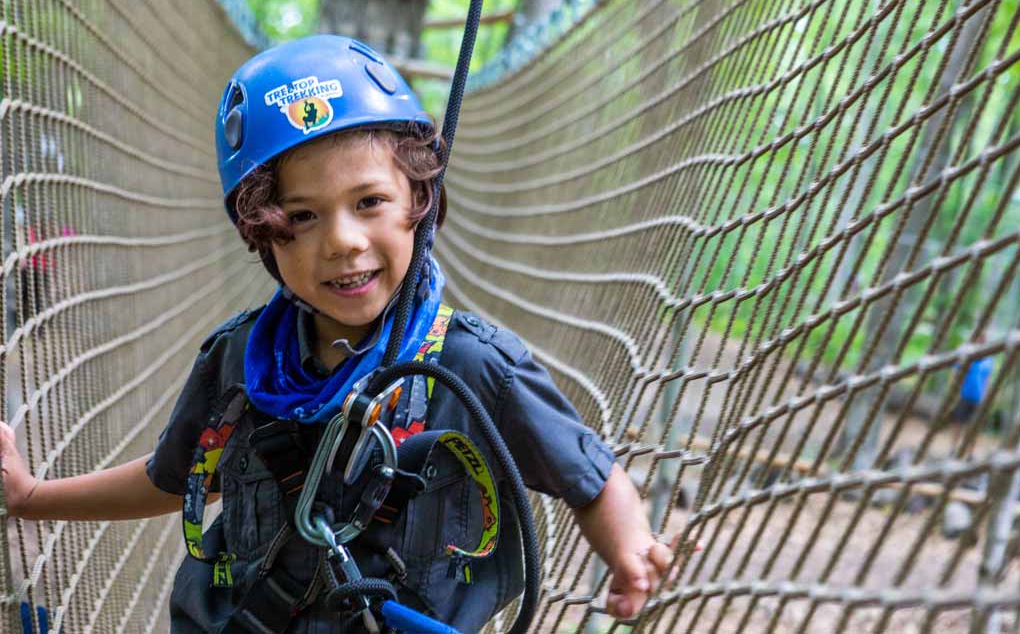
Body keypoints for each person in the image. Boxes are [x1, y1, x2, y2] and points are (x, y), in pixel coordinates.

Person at [0, 35, 675, 633]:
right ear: (262, 232)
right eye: (303, 216)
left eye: (370, 203)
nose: (344, 243)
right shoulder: (240, 363)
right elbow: (174, 479)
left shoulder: (473, 367)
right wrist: (33, 499)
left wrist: (627, 548)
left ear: (420, 203)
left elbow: (589, 476)